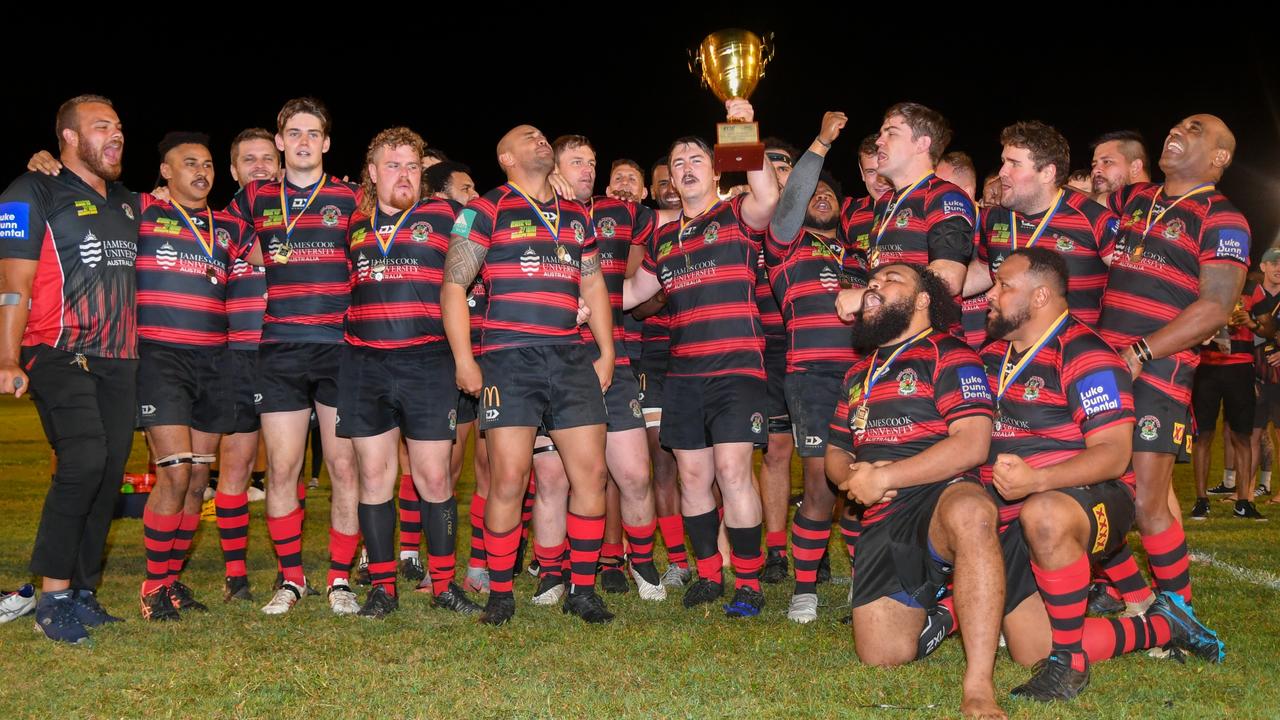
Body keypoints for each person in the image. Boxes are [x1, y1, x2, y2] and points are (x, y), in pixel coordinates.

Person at [983, 247, 1222, 700]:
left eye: (1003, 286)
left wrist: (1035, 479)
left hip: (1091, 498)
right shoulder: (993, 354)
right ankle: (1160, 627)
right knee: (1028, 647)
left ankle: (1070, 665)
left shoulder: (1086, 354)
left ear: (1039, 298)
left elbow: (1113, 455)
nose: (991, 295)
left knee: (1046, 514)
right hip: (1011, 499)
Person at [442, 124, 616, 625]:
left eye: (543, 136)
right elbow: (455, 287)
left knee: (592, 476)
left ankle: (582, 590)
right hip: (508, 359)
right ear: (506, 158)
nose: (542, 140)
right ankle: (500, 594)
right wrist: (463, 359)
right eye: (528, 137)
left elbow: (594, 283)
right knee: (509, 480)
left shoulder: (578, 214)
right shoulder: (485, 209)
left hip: (569, 356)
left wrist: (605, 350)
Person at [623, 99, 780, 618]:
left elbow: (768, 194)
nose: (685, 169)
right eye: (677, 163)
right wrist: (573, 294)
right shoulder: (663, 237)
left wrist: (740, 129)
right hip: (684, 372)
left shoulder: (736, 215)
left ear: (715, 169)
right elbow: (630, 294)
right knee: (692, 476)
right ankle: (710, 575)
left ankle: (750, 582)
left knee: (733, 471)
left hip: (737, 367)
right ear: (668, 176)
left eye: (695, 160)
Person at [827, 263, 1005, 720]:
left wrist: (887, 477)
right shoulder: (856, 375)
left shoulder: (952, 354)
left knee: (972, 513)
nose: (875, 285)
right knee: (882, 654)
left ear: (923, 299)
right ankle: (951, 606)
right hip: (886, 514)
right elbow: (835, 454)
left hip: (940, 493)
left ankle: (979, 686)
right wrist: (856, 477)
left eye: (891, 279)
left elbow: (972, 443)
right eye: (871, 281)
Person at [1097, 114, 1249, 622]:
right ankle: (1133, 595)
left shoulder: (1224, 218)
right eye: (1178, 123)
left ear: (1220, 157)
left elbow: (1215, 307)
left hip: (1155, 373)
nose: (1178, 130)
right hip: (1098, 369)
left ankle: (1178, 615)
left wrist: (1139, 353)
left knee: (1145, 502)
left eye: (1196, 128)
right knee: (1092, 488)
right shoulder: (1136, 200)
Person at [0, 95, 137, 643]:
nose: (116, 134)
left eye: (119, 126)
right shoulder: (29, 191)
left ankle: (82, 592)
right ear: (69, 138)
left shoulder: (129, 202)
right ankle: (52, 597)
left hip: (120, 359)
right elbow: (13, 285)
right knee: (83, 458)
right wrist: (8, 357)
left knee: (107, 474)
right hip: (55, 351)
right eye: (102, 126)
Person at [226, 97, 363, 616]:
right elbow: (217, 235)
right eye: (294, 133)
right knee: (282, 469)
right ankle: (291, 579)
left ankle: (339, 579)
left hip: (340, 346)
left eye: (313, 133)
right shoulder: (256, 198)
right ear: (280, 142)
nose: (304, 141)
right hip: (279, 346)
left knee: (343, 466)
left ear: (326, 143)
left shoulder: (352, 198)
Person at [340, 127, 482, 618]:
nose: (404, 175)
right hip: (363, 363)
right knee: (374, 477)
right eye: (394, 165)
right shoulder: (353, 227)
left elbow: (493, 242)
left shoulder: (448, 216)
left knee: (433, 477)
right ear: (373, 172)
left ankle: (443, 585)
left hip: (426, 362)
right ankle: (382, 588)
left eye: (413, 167)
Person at [763, 111, 867, 622]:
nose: (819, 195)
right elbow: (792, 198)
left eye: (829, 193)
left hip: (868, 381)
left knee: (864, 486)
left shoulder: (860, 254)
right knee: (823, 485)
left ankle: (862, 584)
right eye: (812, 193)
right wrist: (822, 142)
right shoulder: (786, 246)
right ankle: (804, 587)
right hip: (813, 378)